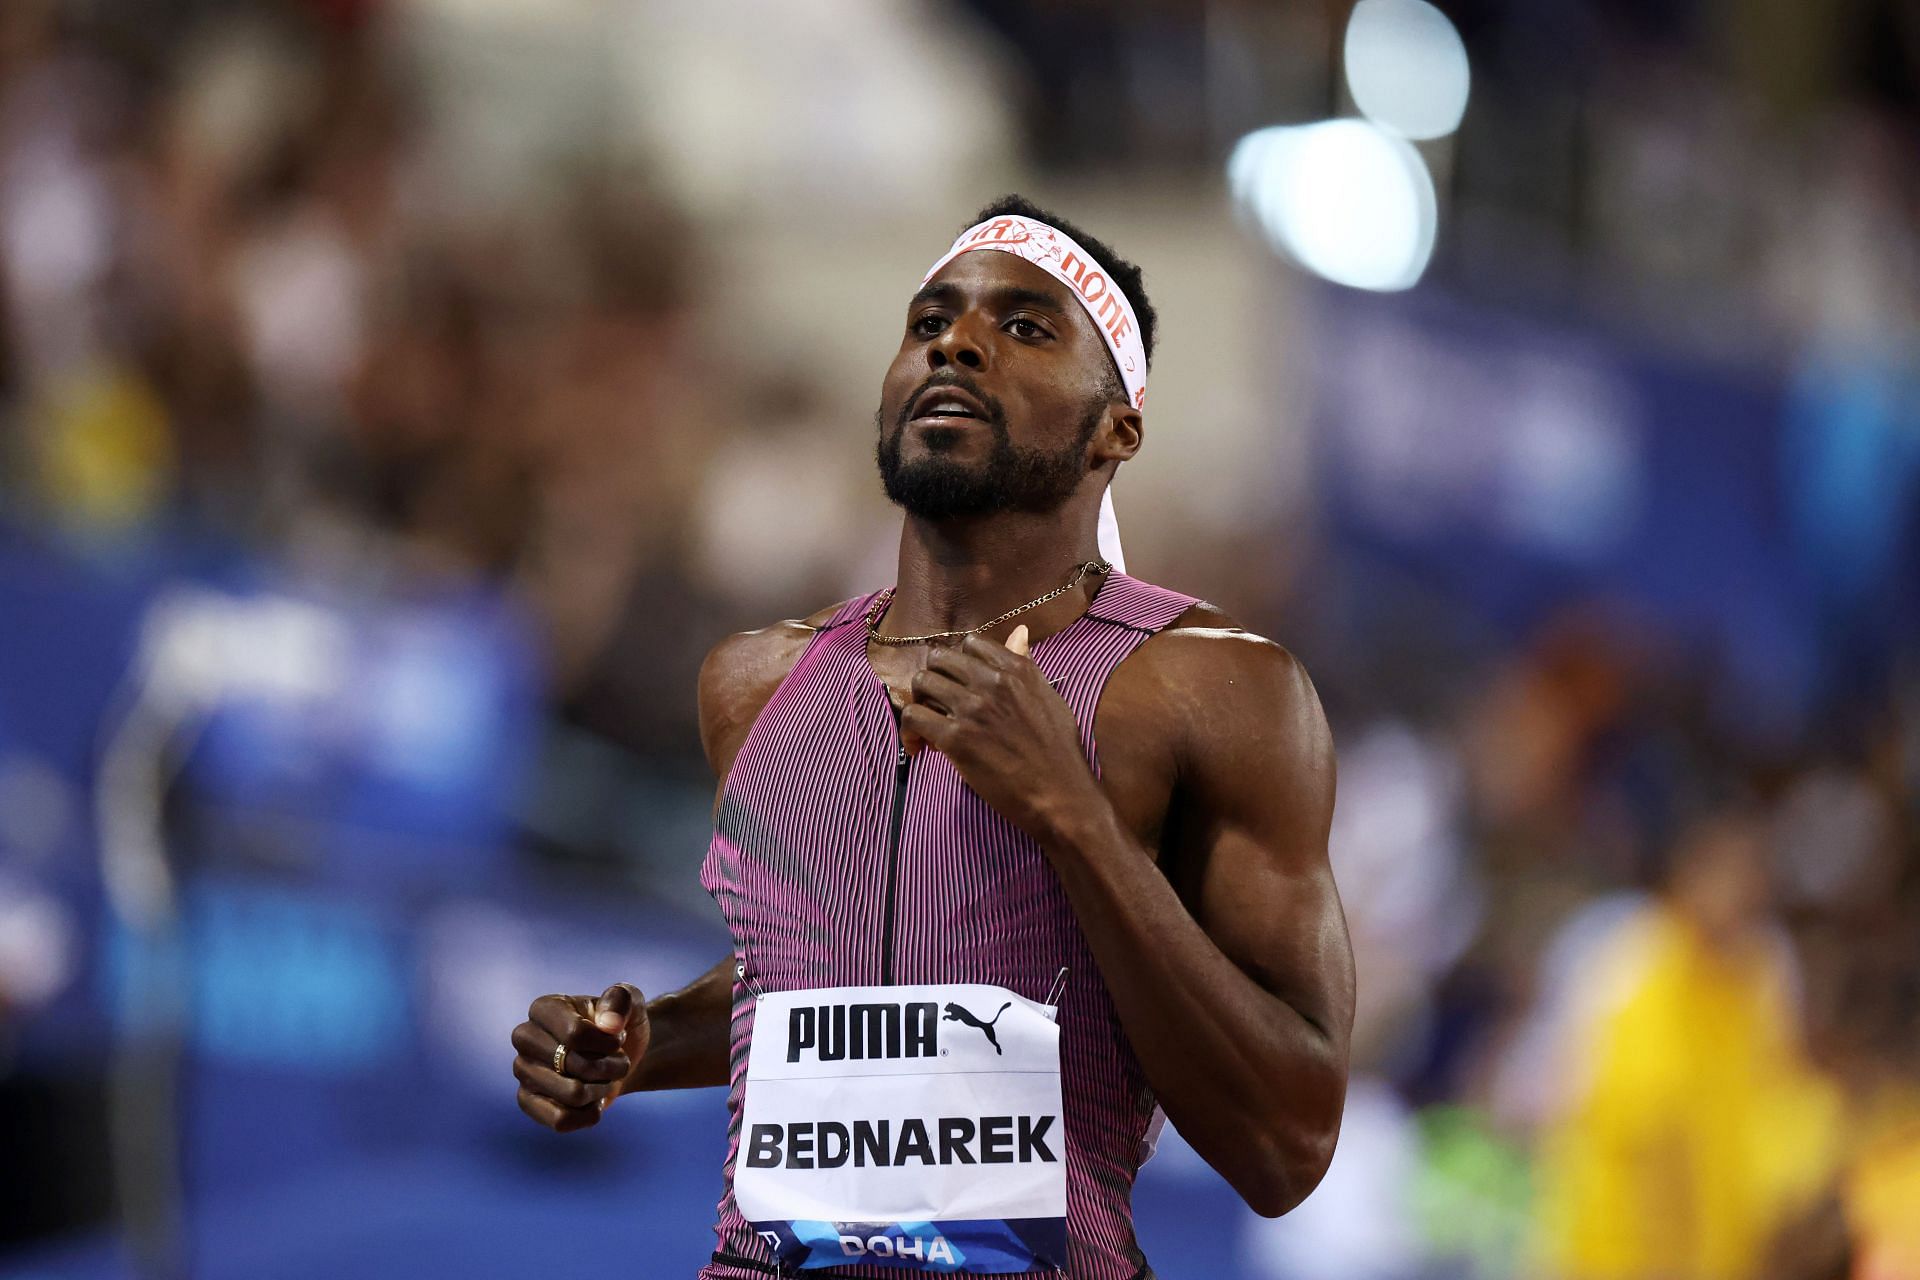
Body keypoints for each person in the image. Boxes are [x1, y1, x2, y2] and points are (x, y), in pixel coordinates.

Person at [510, 196, 1355, 1279]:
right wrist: (641, 1041)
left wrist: (1076, 818)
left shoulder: (1217, 691)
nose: (957, 341)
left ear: (1117, 426)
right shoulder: (755, 681)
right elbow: (836, 975)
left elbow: (1287, 1144)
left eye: (1026, 327)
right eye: (928, 322)